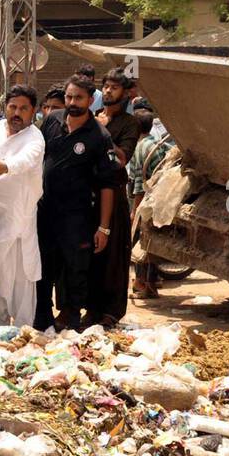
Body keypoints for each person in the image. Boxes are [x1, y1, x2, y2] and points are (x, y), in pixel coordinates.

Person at [34, 75, 118, 332]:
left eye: (78, 97)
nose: (72, 102)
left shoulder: (99, 137)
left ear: (91, 101)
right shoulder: (52, 121)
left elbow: (108, 185)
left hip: (78, 217)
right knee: (43, 265)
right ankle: (42, 314)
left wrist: (103, 227)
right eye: (69, 96)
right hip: (45, 211)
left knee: (75, 269)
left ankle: (70, 317)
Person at [0, 86, 45, 329]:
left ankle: (23, 330)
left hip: (19, 220)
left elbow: (26, 160)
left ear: (33, 111)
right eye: (13, 107)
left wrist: (5, 167)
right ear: (5, 108)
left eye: (23, 108)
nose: (17, 113)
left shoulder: (35, 138)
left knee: (21, 278)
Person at [87, 68, 141, 327]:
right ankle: (92, 309)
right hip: (90, 195)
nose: (108, 91)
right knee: (91, 255)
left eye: (114, 87)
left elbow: (121, 159)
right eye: (106, 86)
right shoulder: (93, 118)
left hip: (115, 194)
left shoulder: (129, 124)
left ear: (125, 93)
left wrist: (103, 132)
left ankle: (111, 311)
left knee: (114, 255)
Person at [127, 109, 174, 300]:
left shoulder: (139, 148)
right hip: (160, 199)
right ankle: (151, 283)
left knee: (141, 242)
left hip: (147, 202)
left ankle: (145, 285)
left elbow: (140, 183)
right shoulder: (153, 144)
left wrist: (135, 211)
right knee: (150, 244)